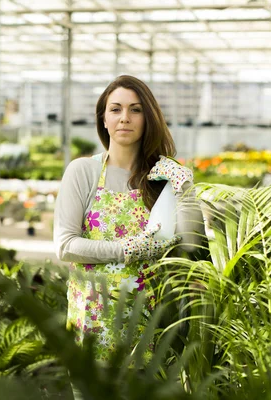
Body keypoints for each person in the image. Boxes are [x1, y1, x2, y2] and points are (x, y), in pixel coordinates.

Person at [53, 75, 205, 367]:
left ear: (148, 118)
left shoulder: (161, 178)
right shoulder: (83, 171)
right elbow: (65, 245)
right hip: (94, 326)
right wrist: (127, 249)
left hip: (151, 325)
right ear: (104, 119)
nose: (125, 118)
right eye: (116, 109)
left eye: (136, 110)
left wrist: (184, 187)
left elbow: (190, 244)